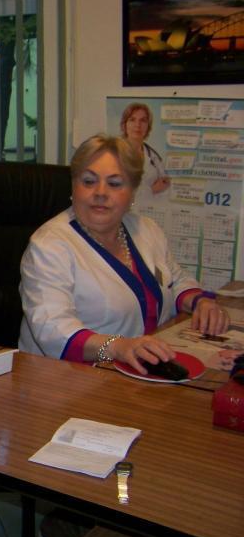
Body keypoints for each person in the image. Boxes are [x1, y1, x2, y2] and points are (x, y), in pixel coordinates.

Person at [19, 134, 229, 375]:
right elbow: (52, 330)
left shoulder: (146, 229)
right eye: (88, 181)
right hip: (65, 380)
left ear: (132, 192)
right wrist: (118, 347)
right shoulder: (49, 245)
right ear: (74, 187)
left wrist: (201, 302)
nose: (100, 192)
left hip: (140, 372)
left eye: (115, 183)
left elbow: (175, 279)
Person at [120, 102, 170, 197]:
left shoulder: (153, 156)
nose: (137, 125)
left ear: (148, 126)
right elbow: (116, 191)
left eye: (143, 120)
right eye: (132, 120)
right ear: (124, 125)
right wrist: (152, 190)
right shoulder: (114, 154)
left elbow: (165, 182)